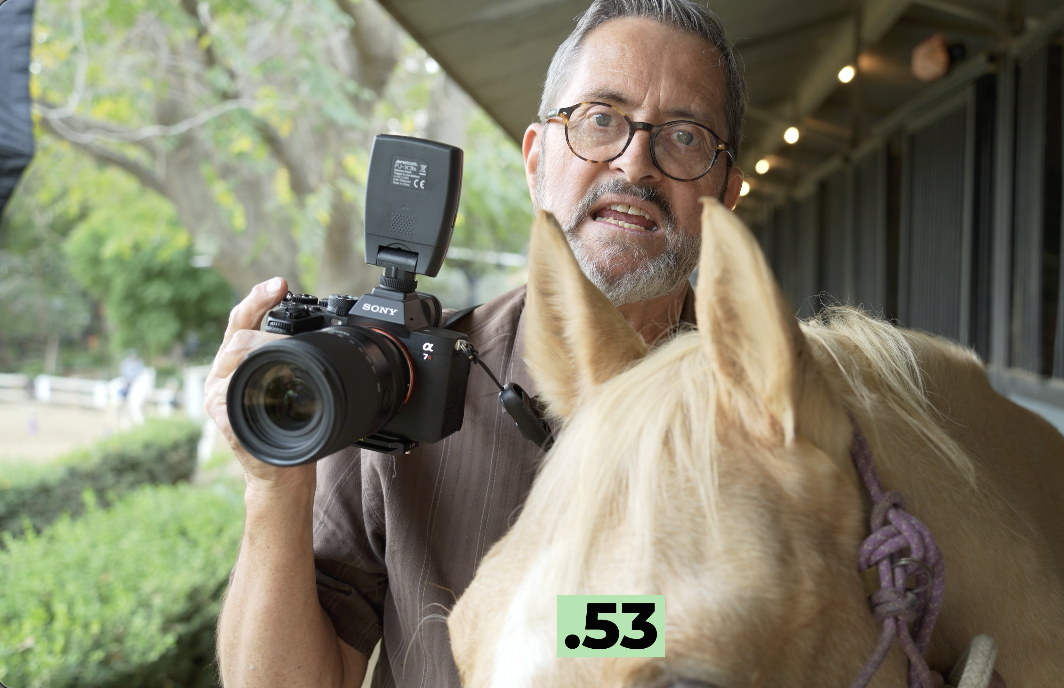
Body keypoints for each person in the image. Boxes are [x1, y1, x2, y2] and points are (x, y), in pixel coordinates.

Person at [204, 1, 745, 686]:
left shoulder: (775, 411)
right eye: (600, 119)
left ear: (728, 193)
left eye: (685, 137)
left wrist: (547, 624)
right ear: (536, 158)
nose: (636, 162)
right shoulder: (394, 383)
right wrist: (274, 488)